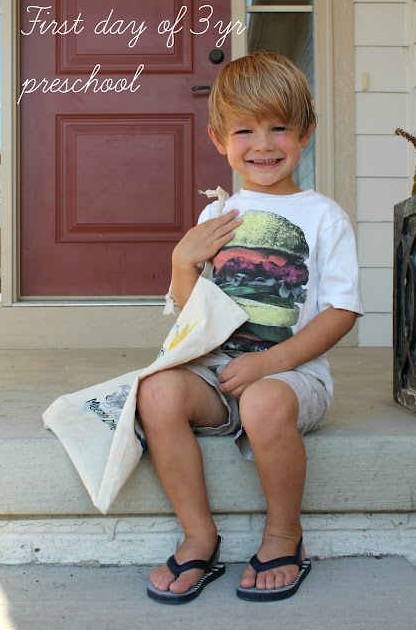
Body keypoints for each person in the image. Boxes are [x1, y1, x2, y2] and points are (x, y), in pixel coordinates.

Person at [138, 51, 364, 604]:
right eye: (244, 130)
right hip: (217, 375)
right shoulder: (215, 218)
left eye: (278, 127)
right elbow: (194, 320)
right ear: (219, 139)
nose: (263, 144)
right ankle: (199, 535)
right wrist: (181, 262)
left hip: (291, 378)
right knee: (156, 390)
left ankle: (284, 535)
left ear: (306, 132)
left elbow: (341, 311)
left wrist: (270, 363)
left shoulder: (324, 216)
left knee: (263, 401)